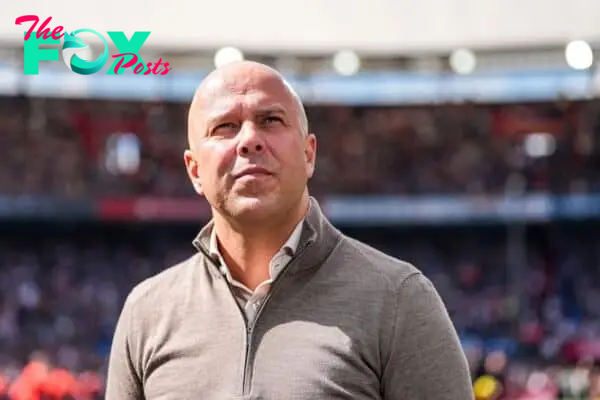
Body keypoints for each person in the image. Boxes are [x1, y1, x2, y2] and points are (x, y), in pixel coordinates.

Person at [105, 60, 474, 400]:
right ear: (195, 170)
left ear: (309, 154)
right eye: (225, 127)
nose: (249, 139)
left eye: (270, 121)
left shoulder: (398, 300)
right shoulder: (147, 312)